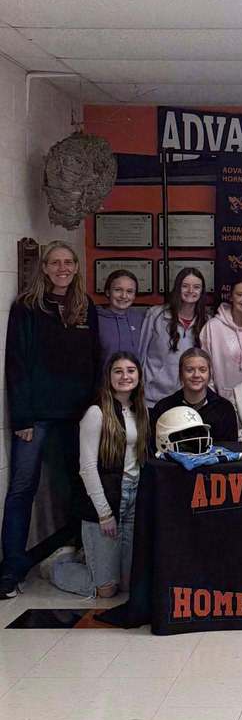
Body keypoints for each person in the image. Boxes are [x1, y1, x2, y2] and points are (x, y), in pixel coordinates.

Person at [1, 241, 100, 599]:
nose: (62, 268)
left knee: (81, 484)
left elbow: (94, 361)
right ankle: (11, 569)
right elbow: (17, 363)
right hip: (37, 417)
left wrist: (94, 411)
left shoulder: (84, 306)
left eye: (68, 262)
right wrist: (21, 416)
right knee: (21, 488)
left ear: (76, 268)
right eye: (55, 263)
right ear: (44, 268)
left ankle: (85, 556)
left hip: (77, 416)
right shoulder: (27, 308)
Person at [48, 353, 149, 598]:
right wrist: (104, 513)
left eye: (130, 370)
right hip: (104, 501)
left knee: (127, 584)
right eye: (118, 371)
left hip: (132, 496)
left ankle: (90, 556)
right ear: (109, 376)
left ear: (138, 375)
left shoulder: (141, 410)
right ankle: (56, 566)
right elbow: (87, 468)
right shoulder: (96, 412)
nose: (125, 376)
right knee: (105, 589)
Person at [138, 267, 207, 407]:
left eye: (196, 287)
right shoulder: (156, 315)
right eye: (185, 286)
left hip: (188, 399)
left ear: (201, 291)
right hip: (154, 398)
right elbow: (141, 353)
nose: (190, 291)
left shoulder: (206, 321)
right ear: (177, 288)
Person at [150, 348, 237, 444]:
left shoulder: (224, 409)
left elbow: (230, 448)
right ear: (181, 374)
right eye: (189, 370)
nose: (196, 375)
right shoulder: (163, 408)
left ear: (209, 374)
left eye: (202, 370)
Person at [200, 275, 242, 404]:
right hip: (219, 402)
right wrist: (213, 400)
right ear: (231, 297)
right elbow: (203, 366)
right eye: (240, 294)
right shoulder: (213, 327)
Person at [97, 269, 143, 368]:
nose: (123, 296)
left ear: (134, 295)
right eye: (118, 290)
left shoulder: (141, 320)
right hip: (103, 381)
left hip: (133, 382)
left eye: (129, 291)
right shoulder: (96, 319)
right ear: (108, 292)